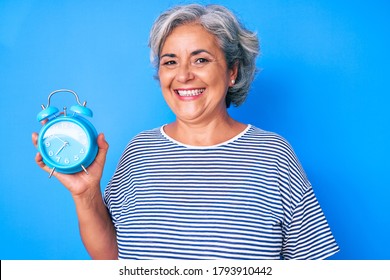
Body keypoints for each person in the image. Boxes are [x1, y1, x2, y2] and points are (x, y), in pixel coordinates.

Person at [32, 4, 339, 260]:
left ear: (232, 71)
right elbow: (113, 260)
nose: (183, 75)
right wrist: (86, 195)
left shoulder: (273, 154)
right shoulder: (140, 150)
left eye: (201, 59)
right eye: (170, 62)